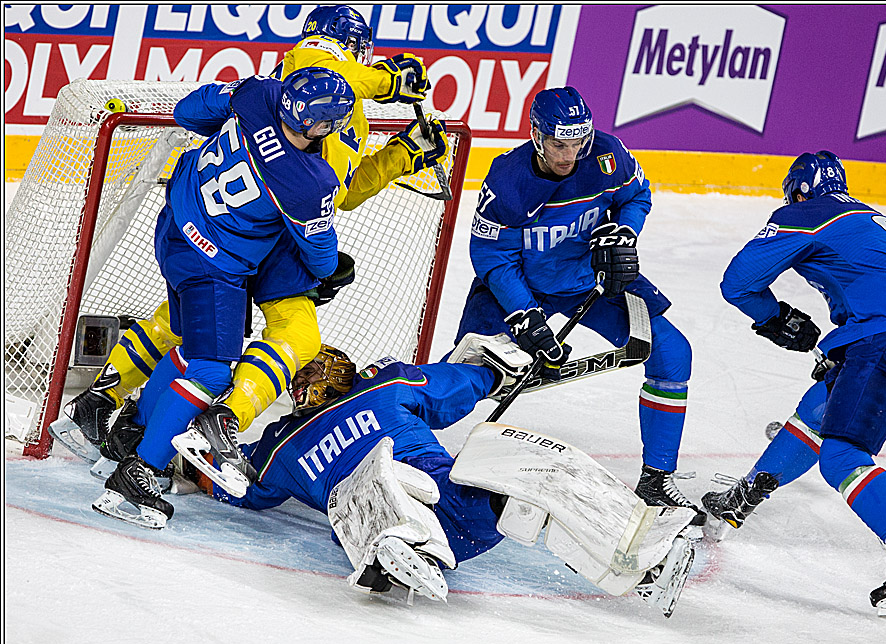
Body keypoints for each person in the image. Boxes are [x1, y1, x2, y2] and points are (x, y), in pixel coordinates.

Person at [51, 5, 445, 480]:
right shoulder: (315, 71)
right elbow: (324, 67)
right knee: (263, 340)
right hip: (262, 236)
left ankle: (119, 415)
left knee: (185, 324)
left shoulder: (284, 94)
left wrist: (404, 154)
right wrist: (385, 79)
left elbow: (340, 191)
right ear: (355, 52)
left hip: (234, 225)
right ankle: (212, 425)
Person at [192, 334, 701, 616]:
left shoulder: (367, 398)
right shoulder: (281, 442)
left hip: (455, 502)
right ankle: (399, 547)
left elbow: (454, 382)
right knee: (377, 478)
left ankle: (644, 554)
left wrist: (501, 365)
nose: (300, 386)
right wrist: (181, 464)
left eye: (308, 375)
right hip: (383, 512)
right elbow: (233, 479)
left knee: (525, 458)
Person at [89, 67, 354, 529]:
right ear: (320, 126)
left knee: (190, 345)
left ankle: (134, 434)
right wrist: (331, 273)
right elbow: (320, 252)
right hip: (212, 266)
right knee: (212, 371)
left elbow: (188, 112)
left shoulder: (259, 93)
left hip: (174, 225)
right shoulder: (310, 181)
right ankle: (139, 473)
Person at [703, 150, 886, 617]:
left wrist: (775, 318)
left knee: (842, 453)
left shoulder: (806, 213)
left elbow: (738, 281)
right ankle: (741, 499)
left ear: (799, 191)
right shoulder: (865, 215)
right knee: (819, 409)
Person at [450, 86, 699, 515]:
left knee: (673, 354)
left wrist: (624, 231)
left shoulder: (607, 154)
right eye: (559, 145)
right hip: (522, 288)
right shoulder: (508, 181)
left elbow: (636, 196)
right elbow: (491, 255)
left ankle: (657, 480)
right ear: (536, 136)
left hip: (592, 281)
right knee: (469, 376)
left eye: (577, 143)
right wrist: (523, 313)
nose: (569, 156)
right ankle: (395, 433)